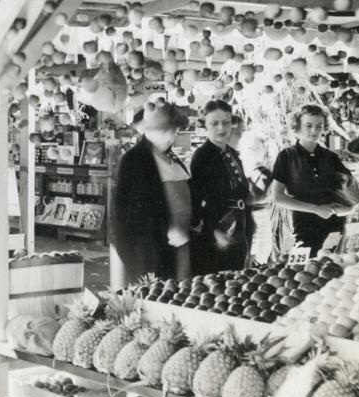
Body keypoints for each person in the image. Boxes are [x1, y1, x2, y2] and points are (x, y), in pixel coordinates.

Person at [109, 100, 191, 289]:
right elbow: (125, 216)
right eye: (163, 130)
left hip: (181, 249)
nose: (170, 136)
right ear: (147, 131)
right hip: (150, 253)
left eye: (173, 130)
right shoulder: (133, 161)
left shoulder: (173, 158)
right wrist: (166, 228)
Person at [270, 104, 355, 256]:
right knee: (303, 274)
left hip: (333, 227)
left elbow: (352, 196)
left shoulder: (331, 157)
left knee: (333, 270)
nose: (314, 131)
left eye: (319, 126)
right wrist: (315, 209)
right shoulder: (286, 156)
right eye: (308, 125)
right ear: (297, 127)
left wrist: (347, 208)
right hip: (302, 226)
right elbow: (277, 197)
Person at [189, 100, 254, 275]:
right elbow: (198, 199)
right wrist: (213, 232)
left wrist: (247, 194)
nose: (221, 128)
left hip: (239, 227)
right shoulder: (202, 156)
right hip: (217, 234)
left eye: (226, 122)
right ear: (205, 126)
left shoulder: (232, 153)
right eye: (214, 123)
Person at [239, 130, 274, 265]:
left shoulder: (264, 173)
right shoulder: (242, 168)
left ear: (264, 150)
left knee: (257, 259)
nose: (253, 151)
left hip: (260, 218)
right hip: (244, 220)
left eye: (257, 148)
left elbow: (263, 196)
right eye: (250, 149)